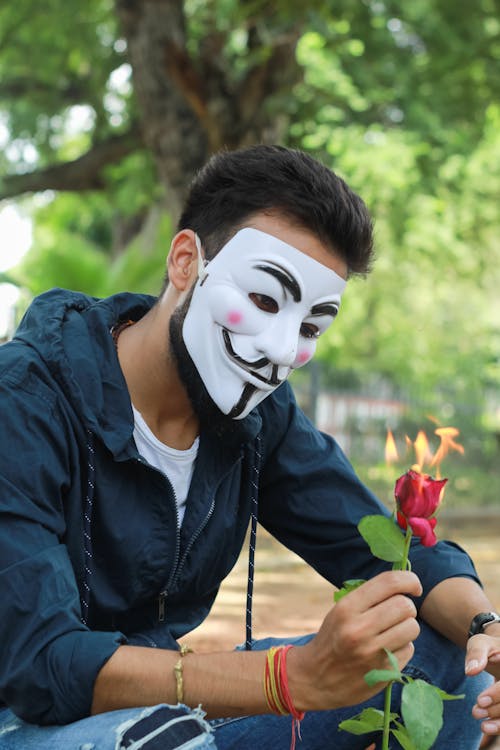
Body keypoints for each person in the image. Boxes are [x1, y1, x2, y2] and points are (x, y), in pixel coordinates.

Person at [0, 144, 497, 750]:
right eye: (265, 300)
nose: (286, 348)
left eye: (311, 326)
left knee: (440, 665)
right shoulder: (23, 401)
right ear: (186, 262)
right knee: (167, 738)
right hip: (23, 717)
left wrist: (485, 629)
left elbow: (379, 550)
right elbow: (40, 662)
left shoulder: (260, 412)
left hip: (168, 706)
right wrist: (286, 678)